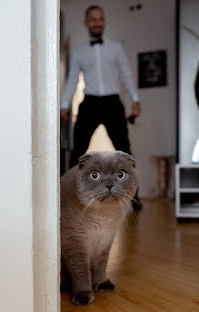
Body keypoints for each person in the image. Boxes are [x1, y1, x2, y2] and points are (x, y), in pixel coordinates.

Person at [61, 5, 142, 209]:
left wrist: (135, 99)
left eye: (100, 19)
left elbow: (127, 75)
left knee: (125, 151)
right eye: (93, 19)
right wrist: (64, 106)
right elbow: (71, 81)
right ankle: (70, 194)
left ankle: (134, 197)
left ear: (104, 21)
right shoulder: (79, 52)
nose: (97, 23)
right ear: (86, 23)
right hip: (89, 103)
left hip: (113, 103)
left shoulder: (116, 48)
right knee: (78, 151)